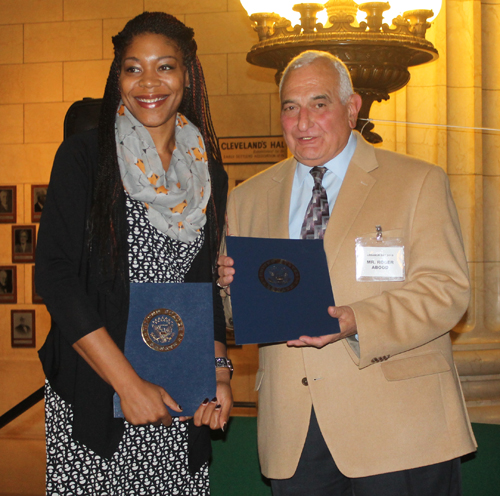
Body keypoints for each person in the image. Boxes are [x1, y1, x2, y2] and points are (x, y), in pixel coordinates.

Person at [218, 51, 476, 496]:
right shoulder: (249, 197)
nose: (302, 123)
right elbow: (239, 314)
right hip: (294, 432)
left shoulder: (416, 181)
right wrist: (229, 288)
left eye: (319, 104)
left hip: (399, 429)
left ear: (352, 107)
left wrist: (358, 320)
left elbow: (446, 291)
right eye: (290, 107)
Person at [36, 12, 232, 495]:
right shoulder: (85, 156)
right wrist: (128, 386)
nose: (148, 82)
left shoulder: (209, 172)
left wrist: (220, 375)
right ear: (117, 76)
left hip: (180, 400)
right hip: (99, 397)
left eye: (165, 67)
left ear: (187, 74)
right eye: (132, 68)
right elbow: (57, 279)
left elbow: (202, 287)